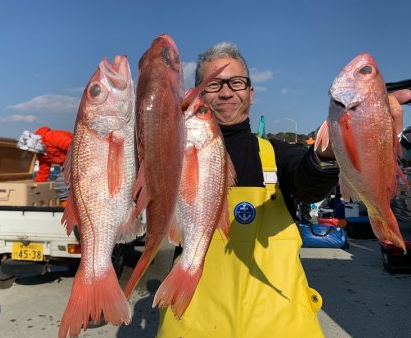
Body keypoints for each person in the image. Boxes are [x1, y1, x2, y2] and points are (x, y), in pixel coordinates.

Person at [157, 42, 410, 338]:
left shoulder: (277, 153)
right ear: (198, 93)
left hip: (281, 325)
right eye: (214, 84)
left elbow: (308, 184)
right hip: (193, 323)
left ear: (251, 93)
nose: (226, 92)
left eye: (237, 82)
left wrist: (326, 155)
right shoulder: (174, 156)